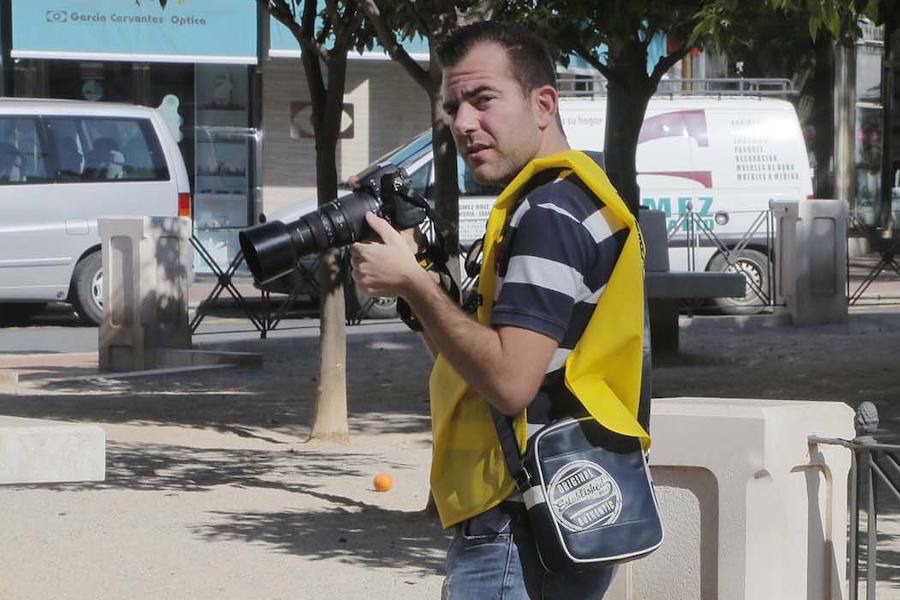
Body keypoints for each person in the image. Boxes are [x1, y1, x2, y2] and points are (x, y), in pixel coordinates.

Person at [350, 21, 646, 599]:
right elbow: (474, 364)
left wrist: (414, 284)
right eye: (453, 106)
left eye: (483, 100)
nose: (463, 123)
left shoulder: (549, 215)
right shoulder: (574, 197)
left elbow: (510, 382)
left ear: (543, 104)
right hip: (562, 508)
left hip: (517, 528)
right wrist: (419, 286)